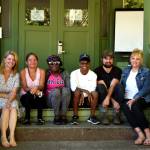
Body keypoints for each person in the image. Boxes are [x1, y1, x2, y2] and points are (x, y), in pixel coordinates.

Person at [120, 48, 150, 145]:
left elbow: (146, 89)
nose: (135, 61)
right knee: (124, 106)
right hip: (127, 98)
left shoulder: (146, 72)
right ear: (130, 59)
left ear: (141, 60)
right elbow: (121, 85)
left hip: (142, 98)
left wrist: (134, 99)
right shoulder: (125, 71)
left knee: (135, 106)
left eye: (138, 59)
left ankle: (148, 134)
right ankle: (140, 134)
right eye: (133, 58)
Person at [70, 53, 100, 125]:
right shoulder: (74, 73)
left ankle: (92, 116)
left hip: (89, 99)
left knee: (95, 93)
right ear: (79, 64)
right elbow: (73, 87)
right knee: (77, 92)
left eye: (86, 63)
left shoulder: (93, 74)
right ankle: (75, 116)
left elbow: (93, 88)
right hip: (77, 98)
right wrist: (84, 91)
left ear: (89, 64)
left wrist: (83, 93)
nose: (84, 65)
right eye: (82, 63)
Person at [94, 50, 122, 125]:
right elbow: (101, 85)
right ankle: (104, 114)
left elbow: (113, 85)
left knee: (119, 86)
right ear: (102, 59)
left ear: (113, 60)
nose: (108, 61)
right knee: (100, 87)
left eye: (110, 59)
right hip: (103, 99)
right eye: (106, 58)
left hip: (114, 96)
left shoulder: (117, 70)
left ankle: (117, 114)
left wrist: (109, 98)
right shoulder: (97, 71)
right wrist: (112, 101)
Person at [0, 51, 19, 147]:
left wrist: (9, 100)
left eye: (13, 60)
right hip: (1, 99)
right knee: (7, 108)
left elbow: (14, 92)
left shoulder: (16, 75)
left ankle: (11, 136)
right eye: (9, 59)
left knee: (13, 108)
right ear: (4, 59)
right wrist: (5, 96)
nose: (11, 61)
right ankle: (3, 136)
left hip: (11, 99)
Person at [20, 52, 46, 125]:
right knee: (29, 95)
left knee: (40, 96)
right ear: (26, 62)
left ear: (37, 61)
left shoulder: (41, 71)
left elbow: (41, 86)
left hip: (37, 97)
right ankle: (27, 118)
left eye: (34, 60)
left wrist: (36, 88)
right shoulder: (23, 72)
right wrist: (33, 91)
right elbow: (25, 88)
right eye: (30, 60)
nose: (32, 62)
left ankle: (40, 118)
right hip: (26, 97)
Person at [45, 55, 71, 125]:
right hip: (51, 101)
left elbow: (69, 89)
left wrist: (61, 89)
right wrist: (56, 90)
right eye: (51, 63)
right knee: (56, 91)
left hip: (63, 101)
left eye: (57, 62)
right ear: (48, 64)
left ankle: (63, 116)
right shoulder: (46, 73)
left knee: (65, 90)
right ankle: (56, 116)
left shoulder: (64, 73)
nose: (54, 64)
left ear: (60, 64)